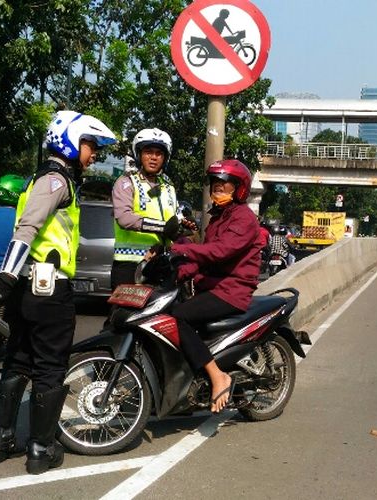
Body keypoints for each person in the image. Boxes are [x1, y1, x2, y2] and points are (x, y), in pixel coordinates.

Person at [0, 110, 116, 475]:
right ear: (70, 141)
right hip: (48, 289)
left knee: (17, 361)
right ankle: (40, 449)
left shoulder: (41, 178)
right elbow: (28, 228)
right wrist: (5, 276)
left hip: (29, 287)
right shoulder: (56, 182)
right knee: (50, 367)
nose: (94, 154)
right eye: (90, 145)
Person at [169, 159, 264, 413]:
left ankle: (217, 376)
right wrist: (179, 268)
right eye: (215, 184)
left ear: (239, 188)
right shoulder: (217, 219)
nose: (218, 189)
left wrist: (185, 249)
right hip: (211, 286)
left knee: (179, 318)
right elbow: (203, 260)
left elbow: (220, 252)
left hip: (231, 291)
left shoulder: (243, 217)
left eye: (225, 185)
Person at [111, 128, 179, 289]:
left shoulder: (169, 187)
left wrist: (185, 227)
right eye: (148, 152)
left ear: (165, 158)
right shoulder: (126, 182)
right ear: (139, 154)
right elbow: (124, 217)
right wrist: (163, 227)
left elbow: (175, 220)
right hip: (130, 264)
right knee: (124, 314)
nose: (154, 157)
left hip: (161, 263)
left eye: (159, 153)